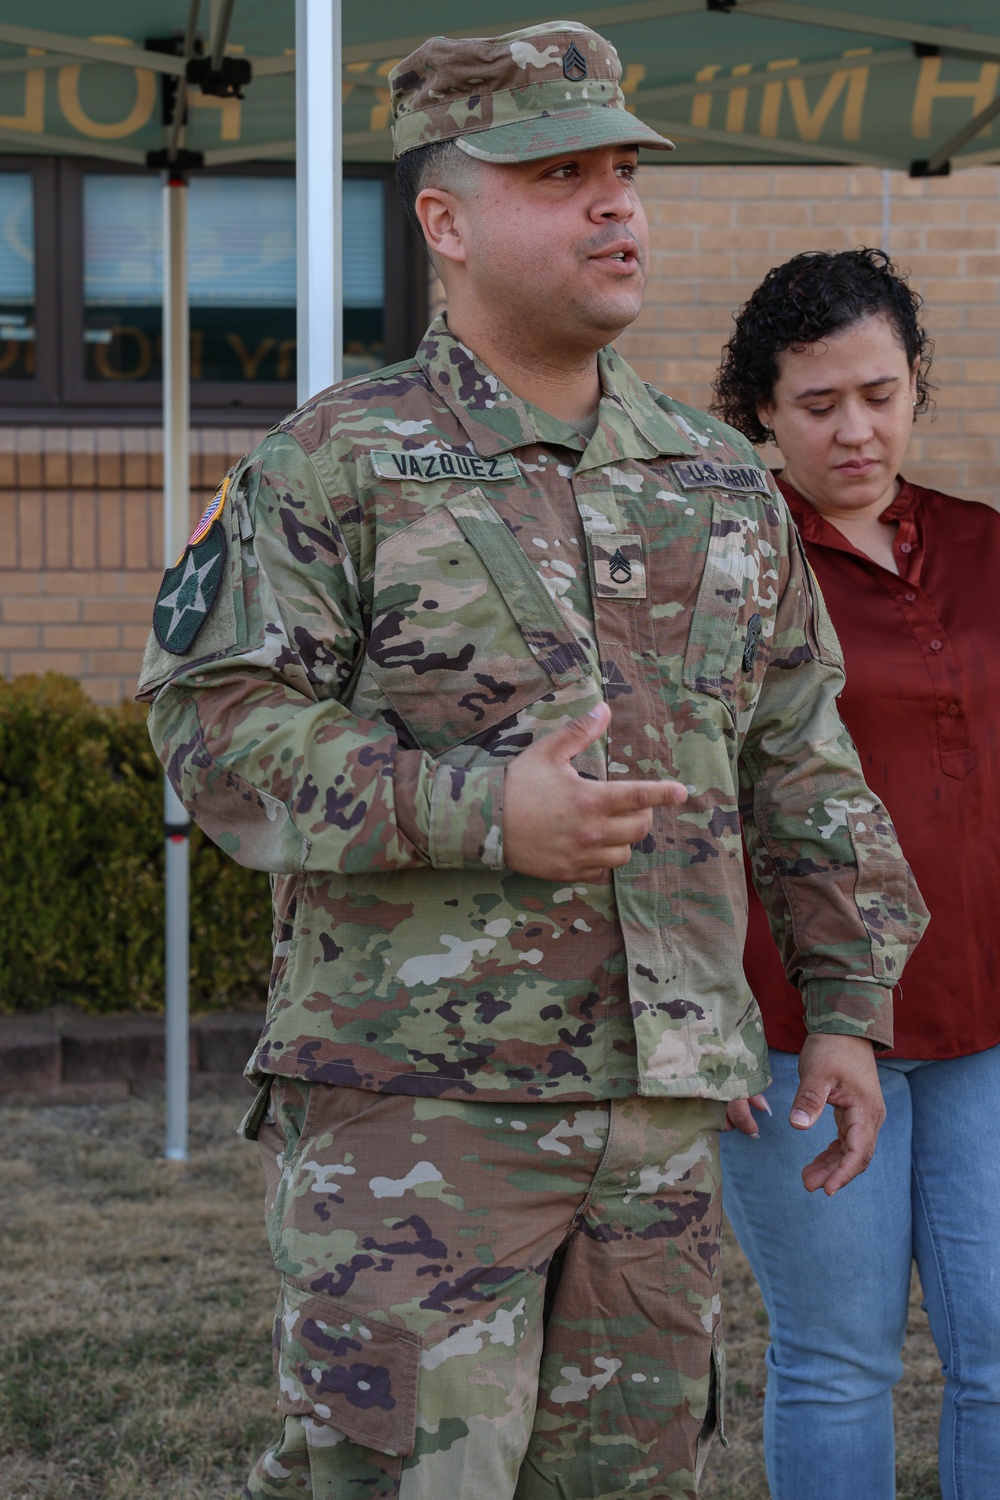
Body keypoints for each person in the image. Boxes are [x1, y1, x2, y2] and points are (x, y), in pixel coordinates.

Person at [138, 28, 926, 1499]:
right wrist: (480, 808)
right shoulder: (334, 463)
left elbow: (801, 757)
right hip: (414, 1114)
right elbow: (215, 728)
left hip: (657, 1126)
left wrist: (844, 1005)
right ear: (445, 219)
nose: (617, 205)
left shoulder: (717, 478)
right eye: (562, 174)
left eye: (624, 171)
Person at [714, 247, 1000, 1500]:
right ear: (762, 414)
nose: (854, 429)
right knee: (839, 1359)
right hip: (801, 1020)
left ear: (916, 387)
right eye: (818, 403)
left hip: (990, 1016)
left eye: (878, 394)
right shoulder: (723, 572)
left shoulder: (986, 546)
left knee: (998, 1354)